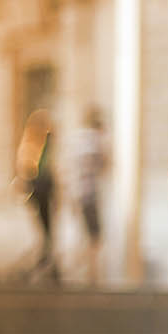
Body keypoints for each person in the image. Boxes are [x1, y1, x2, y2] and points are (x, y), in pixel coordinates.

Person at [16, 108, 59, 283]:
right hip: (39, 192)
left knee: (47, 233)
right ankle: (39, 265)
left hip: (44, 193)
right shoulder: (32, 146)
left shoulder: (44, 147)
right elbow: (27, 170)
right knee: (43, 233)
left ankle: (46, 265)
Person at [69, 106, 109, 284]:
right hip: (89, 194)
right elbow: (103, 165)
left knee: (85, 234)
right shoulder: (93, 141)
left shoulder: (78, 140)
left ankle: (84, 271)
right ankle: (90, 274)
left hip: (78, 193)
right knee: (94, 236)